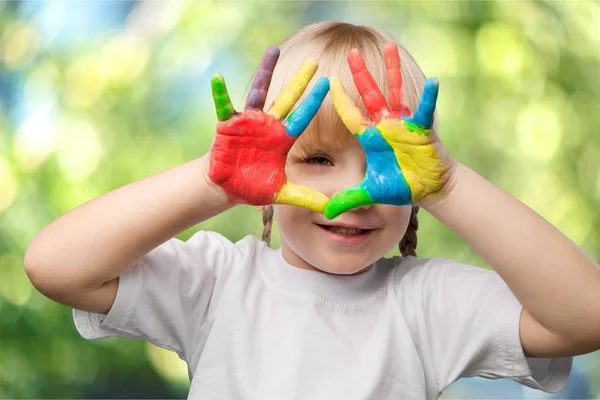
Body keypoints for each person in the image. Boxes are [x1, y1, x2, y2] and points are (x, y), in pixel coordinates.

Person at [24, 21, 600, 400]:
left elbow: (585, 316)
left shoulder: (426, 302)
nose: (356, 191)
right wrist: (210, 182)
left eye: (386, 164)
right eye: (318, 158)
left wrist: (448, 186)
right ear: (267, 172)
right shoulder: (218, 282)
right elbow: (55, 266)